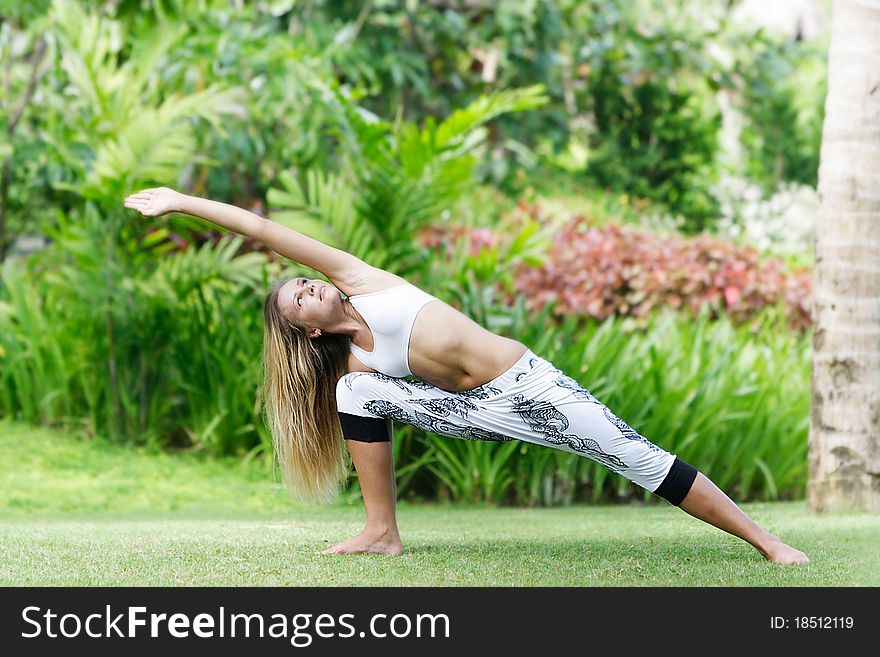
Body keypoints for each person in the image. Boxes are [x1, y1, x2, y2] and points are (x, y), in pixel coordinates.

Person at [124, 187, 810, 565]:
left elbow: (263, 230)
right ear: (307, 328)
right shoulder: (357, 362)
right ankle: (380, 530)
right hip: (469, 411)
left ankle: (765, 540)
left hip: (530, 388)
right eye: (298, 297)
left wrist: (183, 201)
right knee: (350, 390)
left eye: (305, 282)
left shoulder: (363, 281)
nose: (308, 287)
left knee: (636, 455)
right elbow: (375, 392)